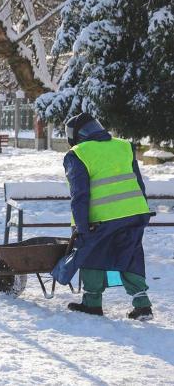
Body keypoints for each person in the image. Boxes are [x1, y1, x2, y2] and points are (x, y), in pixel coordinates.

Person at [52, 113, 153, 320]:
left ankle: (92, 303)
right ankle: (142, 305)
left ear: (74, 135)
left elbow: (79, 194)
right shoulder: (124, 146)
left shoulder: (78, 153)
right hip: (134, 212)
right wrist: (140, 209)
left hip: (101, 218)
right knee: (130, 254)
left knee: (91, 253)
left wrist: (81, 227)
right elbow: (138, 183)